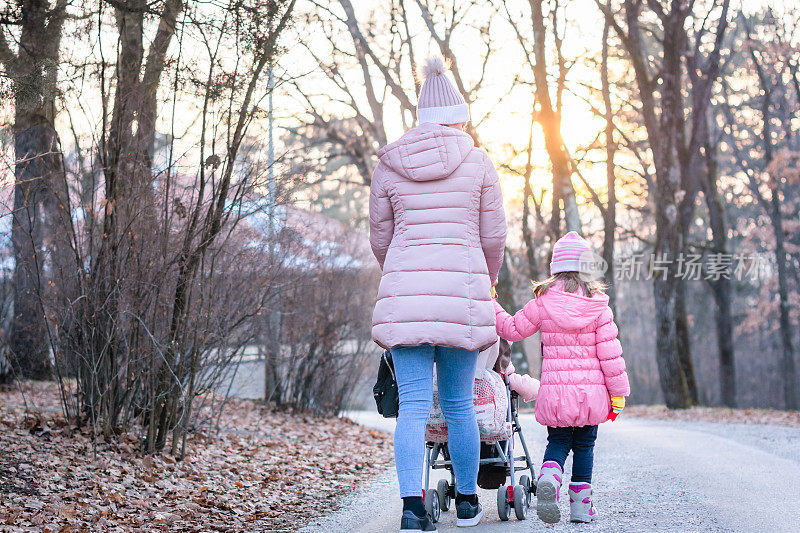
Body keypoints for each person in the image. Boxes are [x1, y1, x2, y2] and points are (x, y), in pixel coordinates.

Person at [369, 55, 506, 532]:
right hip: (461, 296)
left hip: (405, 297)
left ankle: (411, 508)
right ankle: (468, 503)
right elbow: (494, 239)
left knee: (410, 407)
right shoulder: (479, 162)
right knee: (458, 403)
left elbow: (380, 240)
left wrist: (403, 277)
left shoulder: (388, 165)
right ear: (458, 117)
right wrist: (484, 283)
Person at [493, 231, 630, 524]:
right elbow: (611, 356)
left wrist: (491, 302)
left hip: (556, 392)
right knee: (584, 445)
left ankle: (549, 478)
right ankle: (581, 508)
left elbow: (511, 329)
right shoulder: (598, 306)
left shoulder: (544, 302)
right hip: (589, 393)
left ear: (555, 266)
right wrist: (617, 394)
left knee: (557, 440)